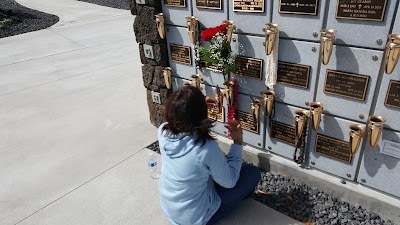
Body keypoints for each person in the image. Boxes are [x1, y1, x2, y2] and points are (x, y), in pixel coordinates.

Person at [158, 85, 261, 225]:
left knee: (211, 170)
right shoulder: (204, 148)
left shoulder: (163, 131)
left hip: (171, 210)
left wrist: (194, 108)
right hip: (197, 218)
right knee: (252, 174)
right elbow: (229, 182)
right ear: (201, 114)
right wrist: (237, 142)